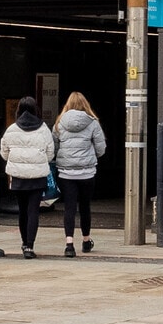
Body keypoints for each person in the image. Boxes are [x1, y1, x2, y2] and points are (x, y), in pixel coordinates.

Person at [0, 95, 55, 258]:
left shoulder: (12, 128)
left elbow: (4, 153)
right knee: (33, 210)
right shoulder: (43, 129)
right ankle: (30, 245)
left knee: (23, 210)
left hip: (18, 176)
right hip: (37, 176)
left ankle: (24, 242)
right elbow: (50, 154)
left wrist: (17, 161)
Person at [52, 91, 107, 258]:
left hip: (66, 173)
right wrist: (89, 157)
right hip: (87, 172)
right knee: (85, 207)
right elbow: (101, 148)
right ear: (85, 104)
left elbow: (54, 148)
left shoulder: (59, 123)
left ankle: (69, 244)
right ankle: (86, 240)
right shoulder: (93, 123)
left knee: (69, 208)